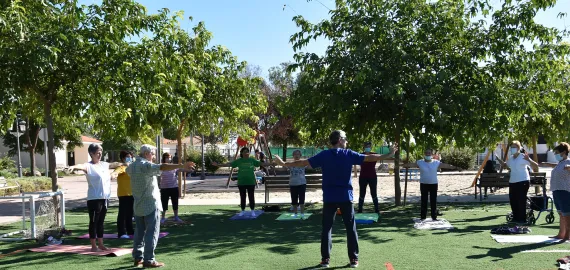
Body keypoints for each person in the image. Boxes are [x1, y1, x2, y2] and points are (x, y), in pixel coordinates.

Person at [273, 130, 397, 268]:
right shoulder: (347, 154)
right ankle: (353, 259)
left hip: (330, 197)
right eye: (345, 138)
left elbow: (303, 163)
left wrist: (284, 163)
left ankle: (325, 260)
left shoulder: (325, 155)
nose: (347, 141)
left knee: (327, 228)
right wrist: (389, 154)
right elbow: (369, 158)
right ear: (339, 140)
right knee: (350, 228)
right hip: (344, 197)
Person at [126, 144, 195, 268]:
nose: (153, 156)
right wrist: (181, 165)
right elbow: (162, 166)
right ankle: (149, 260)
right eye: (152, 154)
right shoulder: (145, 165)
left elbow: (127, 170)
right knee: (152, 233)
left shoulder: (132, 166)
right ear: (147, 154)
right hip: (150, 204)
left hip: (137, 204)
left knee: (139, 232)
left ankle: (138, 257)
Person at [66, 144, 125, 252]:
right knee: (94, 222)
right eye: (98, 152)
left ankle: (101, 244)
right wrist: (73, 167)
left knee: (101, 222)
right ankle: (93, 246)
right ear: (91, 154)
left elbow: (115, 164)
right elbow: (81, 166)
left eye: (101, 152)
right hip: (94, 199)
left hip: (105, 198)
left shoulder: (104, 164)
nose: (100, 154)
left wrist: (123, 164)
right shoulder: (88, 166)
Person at [402, 149, 460, 221]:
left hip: (433, 184)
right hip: (423, 184)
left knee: (433, 200)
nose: (427, 154)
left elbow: (446, 165)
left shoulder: (436, 162)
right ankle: (423, 217)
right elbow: (411, 164)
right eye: (426, 153)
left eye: (429, 153)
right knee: (424, 200)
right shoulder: (420, 162)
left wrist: (456, 167)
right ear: (424, 154)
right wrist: (402, 165)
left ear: (432, 155)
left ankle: (434, 216)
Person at [213, 147, 273, 217]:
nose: (246, 153)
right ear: (241, 153)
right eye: (245, 151)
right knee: (242, 197)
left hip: (251, 182)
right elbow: (228, 164)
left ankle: (252, 210)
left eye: (247, 151)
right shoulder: (239, 161)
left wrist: (271, 163)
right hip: (242, 182)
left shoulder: (252, 160)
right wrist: (218, 165)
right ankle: (243, 210)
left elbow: (261, 164)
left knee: (251, 197)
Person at [495, 141, 539, 224]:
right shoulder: (511, 158)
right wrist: (498, 159)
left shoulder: (523, 157)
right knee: (513, 200)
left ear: (519, 148)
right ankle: (515, 218)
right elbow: (506, 166)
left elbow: (536, 165)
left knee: (521, 200)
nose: (512, 149)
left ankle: (522, 219)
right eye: (511, 147)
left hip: (523, 181)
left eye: (514, 147)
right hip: (513, 182)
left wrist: (529, 159)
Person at [540, 142, 570, 240]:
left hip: (564, 191)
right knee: (561, 214)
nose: (555, 154)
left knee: (566, 214)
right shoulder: (560, 163)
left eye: (557, 152)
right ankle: (561, 234)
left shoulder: (568, 162)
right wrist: (546, 164)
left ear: (564, 152)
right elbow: (557, 167)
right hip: (556, 191)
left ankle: (567, 235)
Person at [159, 152, 191, 224]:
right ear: (164, 158)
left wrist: (189, 168)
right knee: (164, 203)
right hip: (164, 188)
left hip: (174, 187)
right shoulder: (161, 166)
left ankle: (176, 217)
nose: (168, 159)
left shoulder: (174, 166)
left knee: (175, 202)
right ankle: (163, 217)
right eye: (167, 157)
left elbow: (183, 170)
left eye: (169, 157)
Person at [274, 150, 307, 218]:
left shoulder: (303, 163)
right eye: (295, 154)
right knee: (294, 200)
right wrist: (276, 163)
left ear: (300, 155)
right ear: (293, 156)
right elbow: (282, 165)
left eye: (298, 154)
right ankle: (295, 214)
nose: (296, 156)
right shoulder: (290, 164)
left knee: (302, 199)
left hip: (302, 183)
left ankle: (302, 213)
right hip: (293, 184)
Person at [113, 150, 135, 238]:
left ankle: (130, 231)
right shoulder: (121, 167)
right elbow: (116, 172)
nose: (129, 158)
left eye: (130, 156)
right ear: (122, 158)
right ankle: (121, 232)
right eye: (127, 157)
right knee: (122, 214)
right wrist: (113, 174)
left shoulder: (132, 167)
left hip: (132, 193)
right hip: (123, 194)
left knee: (130, 214)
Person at [357, 142, 380, 213]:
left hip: (372, 177)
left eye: (369, 146)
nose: (368, 147)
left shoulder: (375, 155)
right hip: (363, 177)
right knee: (362, 193)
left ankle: (377, 210)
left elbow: (384, 156)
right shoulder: (360, 155)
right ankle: (360, 209)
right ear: (364, 147)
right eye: (366, 146)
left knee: (374, 193)